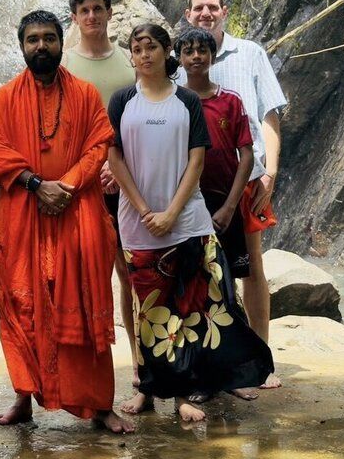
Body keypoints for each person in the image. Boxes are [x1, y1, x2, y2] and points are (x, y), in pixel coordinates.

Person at [108, 24, 273, 422]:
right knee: (150, 312)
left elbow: (196, 160)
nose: (144, 55)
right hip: (138, 223)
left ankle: (194, 389)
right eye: (137, 49)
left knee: (201, 304)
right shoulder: (122, 100)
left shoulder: (186, 100)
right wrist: (145, 209)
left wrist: (170, 212)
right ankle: (149, 391)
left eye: (151, 47)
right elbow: (114, 157)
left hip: (189, 221)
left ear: (166, 51)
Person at [0, 10, 130, 433]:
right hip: (22, 217)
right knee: (22, 308)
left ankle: (100, 404)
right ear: (22, 46)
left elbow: (99, 144)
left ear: (62, 43)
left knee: (84, 306)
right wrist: (36, 185)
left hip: (75, 213)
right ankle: (23, 397)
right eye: (33, 39)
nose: (41, 46)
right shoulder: (4, 97)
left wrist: (64, 186)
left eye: (49, 38)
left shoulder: (84, 93)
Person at [180, 0, 288, 389]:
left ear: (224, 11)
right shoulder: (180, 59)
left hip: (247, 177)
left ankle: (261, 359)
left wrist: (270, 172)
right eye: (198, 8)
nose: (205, 13)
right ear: (188, 14)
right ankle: (208, 360)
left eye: (212, 7)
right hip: (191, 183)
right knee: (198, 270)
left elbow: (269, 116)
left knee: (252, 266)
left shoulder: (250, 53)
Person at [60, 0, 139, 389]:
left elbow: (140, 118)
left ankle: (141, 364)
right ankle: (89, 374)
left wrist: (120, 168)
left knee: (131, 275)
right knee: (85, 279)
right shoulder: (64, 65)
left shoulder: (130, 61)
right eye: (84, 11)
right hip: (83, 185)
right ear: (74, 18)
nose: (92, 16)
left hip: (129, 181)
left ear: (109, 12)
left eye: (98, 8)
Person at [175, 27, 260, 402]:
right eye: (188, 51)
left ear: (212, 55)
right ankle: (200, 376)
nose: (196, 56)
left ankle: (235, 374)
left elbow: (247, 156)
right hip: (187, 209)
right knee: (194, 291)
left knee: (228, 292)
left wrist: (230, 206)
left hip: (226, 208)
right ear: (179, 58)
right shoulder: (174, 102)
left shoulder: (231, 102)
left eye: (202, 50)